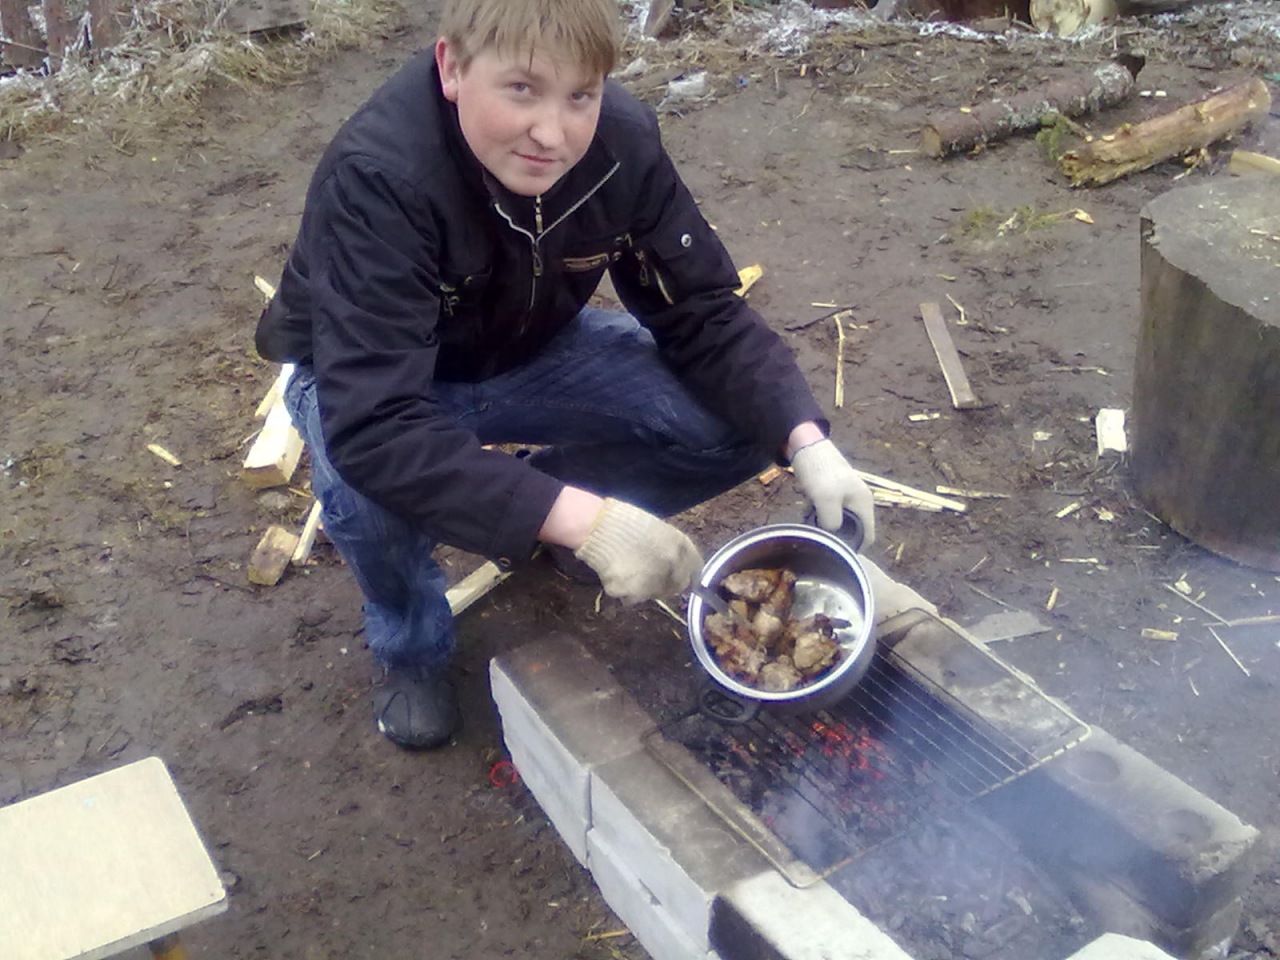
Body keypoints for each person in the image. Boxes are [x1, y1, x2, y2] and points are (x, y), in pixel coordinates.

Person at [255, 0, 877, 751]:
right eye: (522, 89)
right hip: (373, 382)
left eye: (580, 95)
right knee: (371, 496)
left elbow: (702, 307)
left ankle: (544, 520)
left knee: (739, 421)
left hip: (529, 348)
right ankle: (412, 647)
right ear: (452, 67)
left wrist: (806, 439)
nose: (551, 134)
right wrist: (592, 520)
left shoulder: (620, 144)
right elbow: (377, 426)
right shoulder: (379, 176)